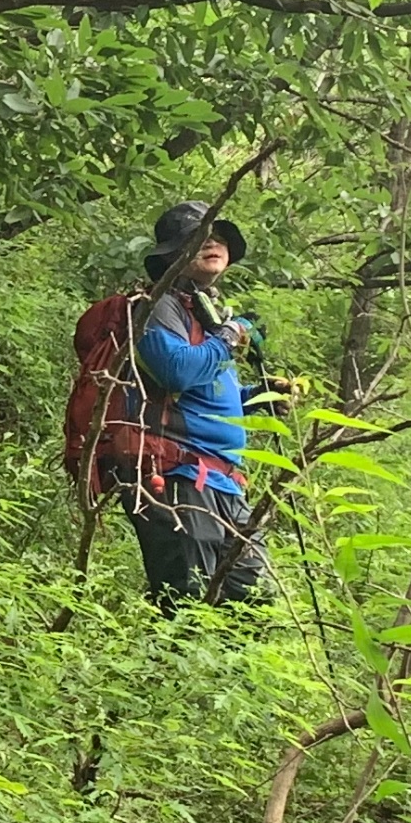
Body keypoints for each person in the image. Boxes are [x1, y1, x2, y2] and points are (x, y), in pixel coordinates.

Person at [128, 202, 274, 609]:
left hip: (225, 482)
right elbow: (176, 372)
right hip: (178, 476)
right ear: (173, 253)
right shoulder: (155, 307)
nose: (214, 242)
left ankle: (231, 676)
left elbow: (203, 396)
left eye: (219, 236)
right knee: (187, 601)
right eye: (200, 236)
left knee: (251, 600)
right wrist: (231, 334)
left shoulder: (203, 313)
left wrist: (261, 398)